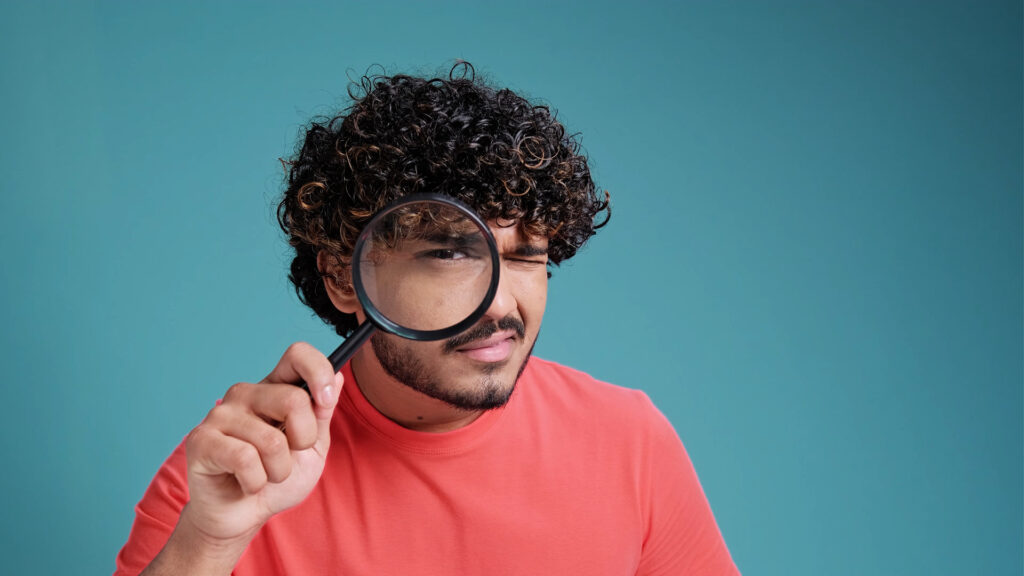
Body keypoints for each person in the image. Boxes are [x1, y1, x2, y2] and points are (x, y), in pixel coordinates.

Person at [115, 62, 740, 575]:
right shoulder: (235, 471)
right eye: (449, 253)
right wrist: (209, 539)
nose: (500, 305)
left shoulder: (631, 442)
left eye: (527, 258)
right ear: (342, 276)